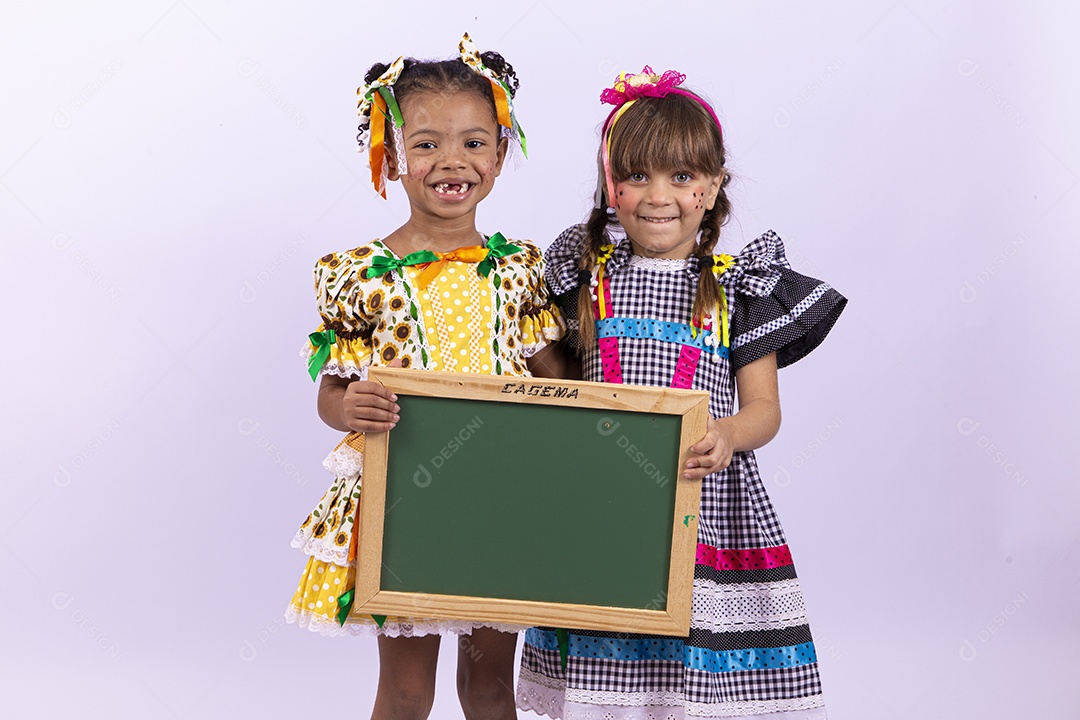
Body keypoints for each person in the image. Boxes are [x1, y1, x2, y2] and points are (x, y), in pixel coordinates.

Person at [516, 68, 847, 719]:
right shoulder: (588, 280)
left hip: (702, 501)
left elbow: (764, 410)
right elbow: (562, 385)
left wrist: (726, 434)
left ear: (713, 185)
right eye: (637, 175)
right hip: (602, 500)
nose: (658, 195)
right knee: (607, 651)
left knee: (687, 663)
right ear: (611, 187)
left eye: (681, 176)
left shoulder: (738, 289)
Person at [284, 34, 565, 720]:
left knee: (489, 687)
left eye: (474, 143)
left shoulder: (519, 270)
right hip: (406, 500)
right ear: (391, 156)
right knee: (408, 691)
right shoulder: (360, 275)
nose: (452, 161)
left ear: (500, 154)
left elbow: (559, 380)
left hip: (503, 496)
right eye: (427, 143)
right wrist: (351, 408)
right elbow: (332, 391)